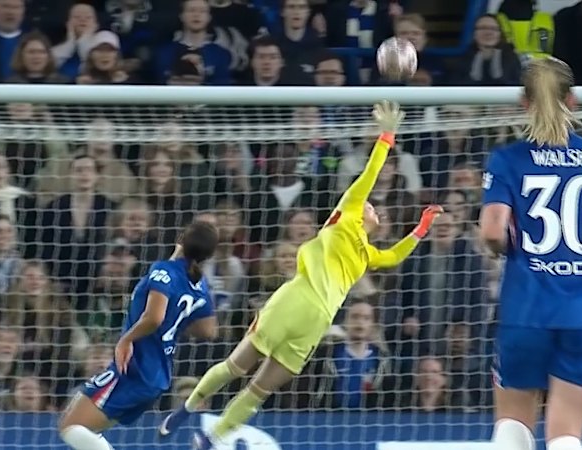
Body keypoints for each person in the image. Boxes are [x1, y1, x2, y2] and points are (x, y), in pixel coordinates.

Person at [159, 101, 444, 449]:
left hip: (317, 322)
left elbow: (394, 254)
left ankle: (212, 438)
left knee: (261, 389)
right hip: (295, 298)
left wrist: (421, 227)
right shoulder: (348, 211)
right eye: (371, 204)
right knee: (237, 365)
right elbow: (370, 174)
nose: (373, 207)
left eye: (377, 211)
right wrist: (387, 135)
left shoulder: (368, 254)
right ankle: (187, 409)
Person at [479, 57, 582, 450]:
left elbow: (492, 230)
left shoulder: (508, 159)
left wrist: (505, 248)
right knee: (567, 434)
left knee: (513, 424)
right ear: (574, 101)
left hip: (527, 308)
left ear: (524, 103)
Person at [58, 221, 220, 450]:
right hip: (157, 375)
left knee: (71, 427)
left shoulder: (164, 270)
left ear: (181, 239)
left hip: (134, 367)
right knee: (88, 433)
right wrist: (178, 317)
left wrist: (126, 339)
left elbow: (154, 317)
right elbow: (209, 331)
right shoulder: (200, 285)